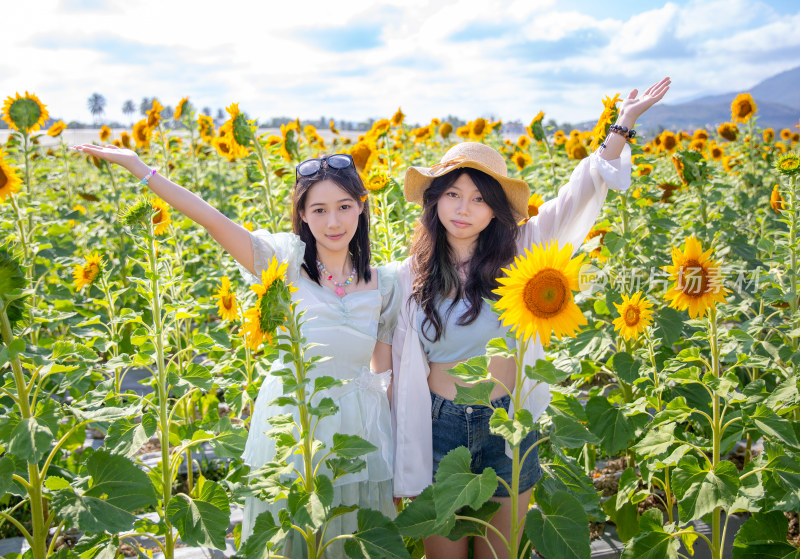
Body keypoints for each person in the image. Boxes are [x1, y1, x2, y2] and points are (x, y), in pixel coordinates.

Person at [390, 77, 671, 559]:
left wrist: (622, 125)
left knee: (502, 553)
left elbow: (578, 193)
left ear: (497, 210)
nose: (464, 209)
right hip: (439, 426)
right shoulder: (406, 275)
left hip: (510, 424)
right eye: (454, 194)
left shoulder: (521, 250)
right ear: (434, 198)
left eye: (480, 198)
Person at [72, 146, 399, 557]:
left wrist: (396, 454)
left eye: (344, 206)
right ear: (301, 215)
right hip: (296, 419)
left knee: (351, 534)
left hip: (359, 428)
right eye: (318, 210)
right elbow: (210, 218)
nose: (332, 221)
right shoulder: (284, 261)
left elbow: (382, 376)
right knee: (293, 530)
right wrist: (140, 168)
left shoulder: (384, 283)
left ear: (361, 207)